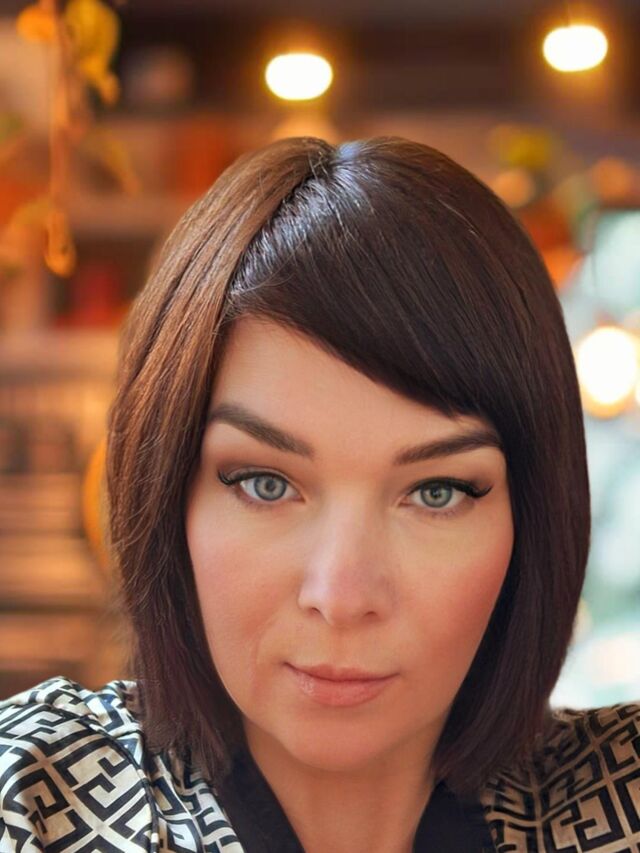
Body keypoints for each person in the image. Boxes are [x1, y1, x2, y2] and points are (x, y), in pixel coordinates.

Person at [1, 136, 638, 853]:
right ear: (166, 496)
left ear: (533, 515)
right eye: (265, 484)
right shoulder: (29, 803)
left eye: (436, 492)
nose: (341, 595)